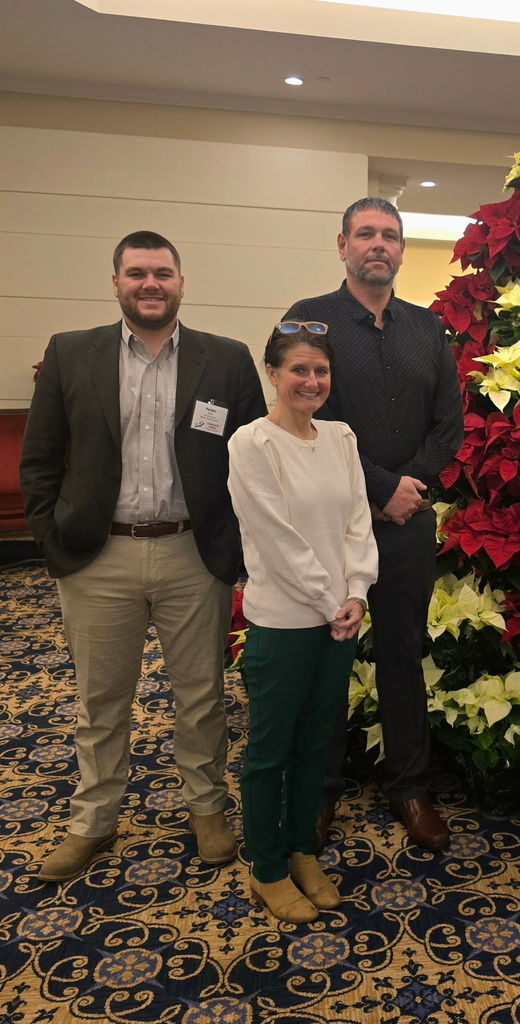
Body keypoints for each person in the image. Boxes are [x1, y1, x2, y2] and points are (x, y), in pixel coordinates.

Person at [20, 230, 267, 882]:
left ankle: (207, 807)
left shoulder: (228, 360)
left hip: (193, 553)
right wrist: (51, 539)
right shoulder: (73, 354)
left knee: (202, 696)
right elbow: (39, 459)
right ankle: (93, 822)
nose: (150, 284)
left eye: (162, 273)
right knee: (100, 702)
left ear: (181, 283)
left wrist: (235, 547)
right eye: (137, 273)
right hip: (99, 556)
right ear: (116, 282)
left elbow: (252, 463)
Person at [282, 197, 463, 852]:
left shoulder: (428, 328)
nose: (377, 245)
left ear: (402, 250)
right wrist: (381, 486)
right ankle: (319, 791)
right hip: (329, 522)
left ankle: (408, 787)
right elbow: (301, 416)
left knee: (403, 656)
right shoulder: (308, 323)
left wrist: (407, 489)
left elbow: (450, 424)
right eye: (366, 234)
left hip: (407, 522)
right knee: (328, 657)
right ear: (342, 245)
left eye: (389, 235)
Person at [227, 321, 378, 923]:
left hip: (339, 620)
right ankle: (265, 867)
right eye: (298, 370)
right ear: (273, 374)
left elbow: (358, 521)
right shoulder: (251, 444)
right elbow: (276, 537)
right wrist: (330, 601)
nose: (311, 381)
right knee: (270, 750)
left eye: (320, 371)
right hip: (285, 622)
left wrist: (359, 592)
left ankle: (299, 850)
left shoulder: (340, 436)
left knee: (317, 741)